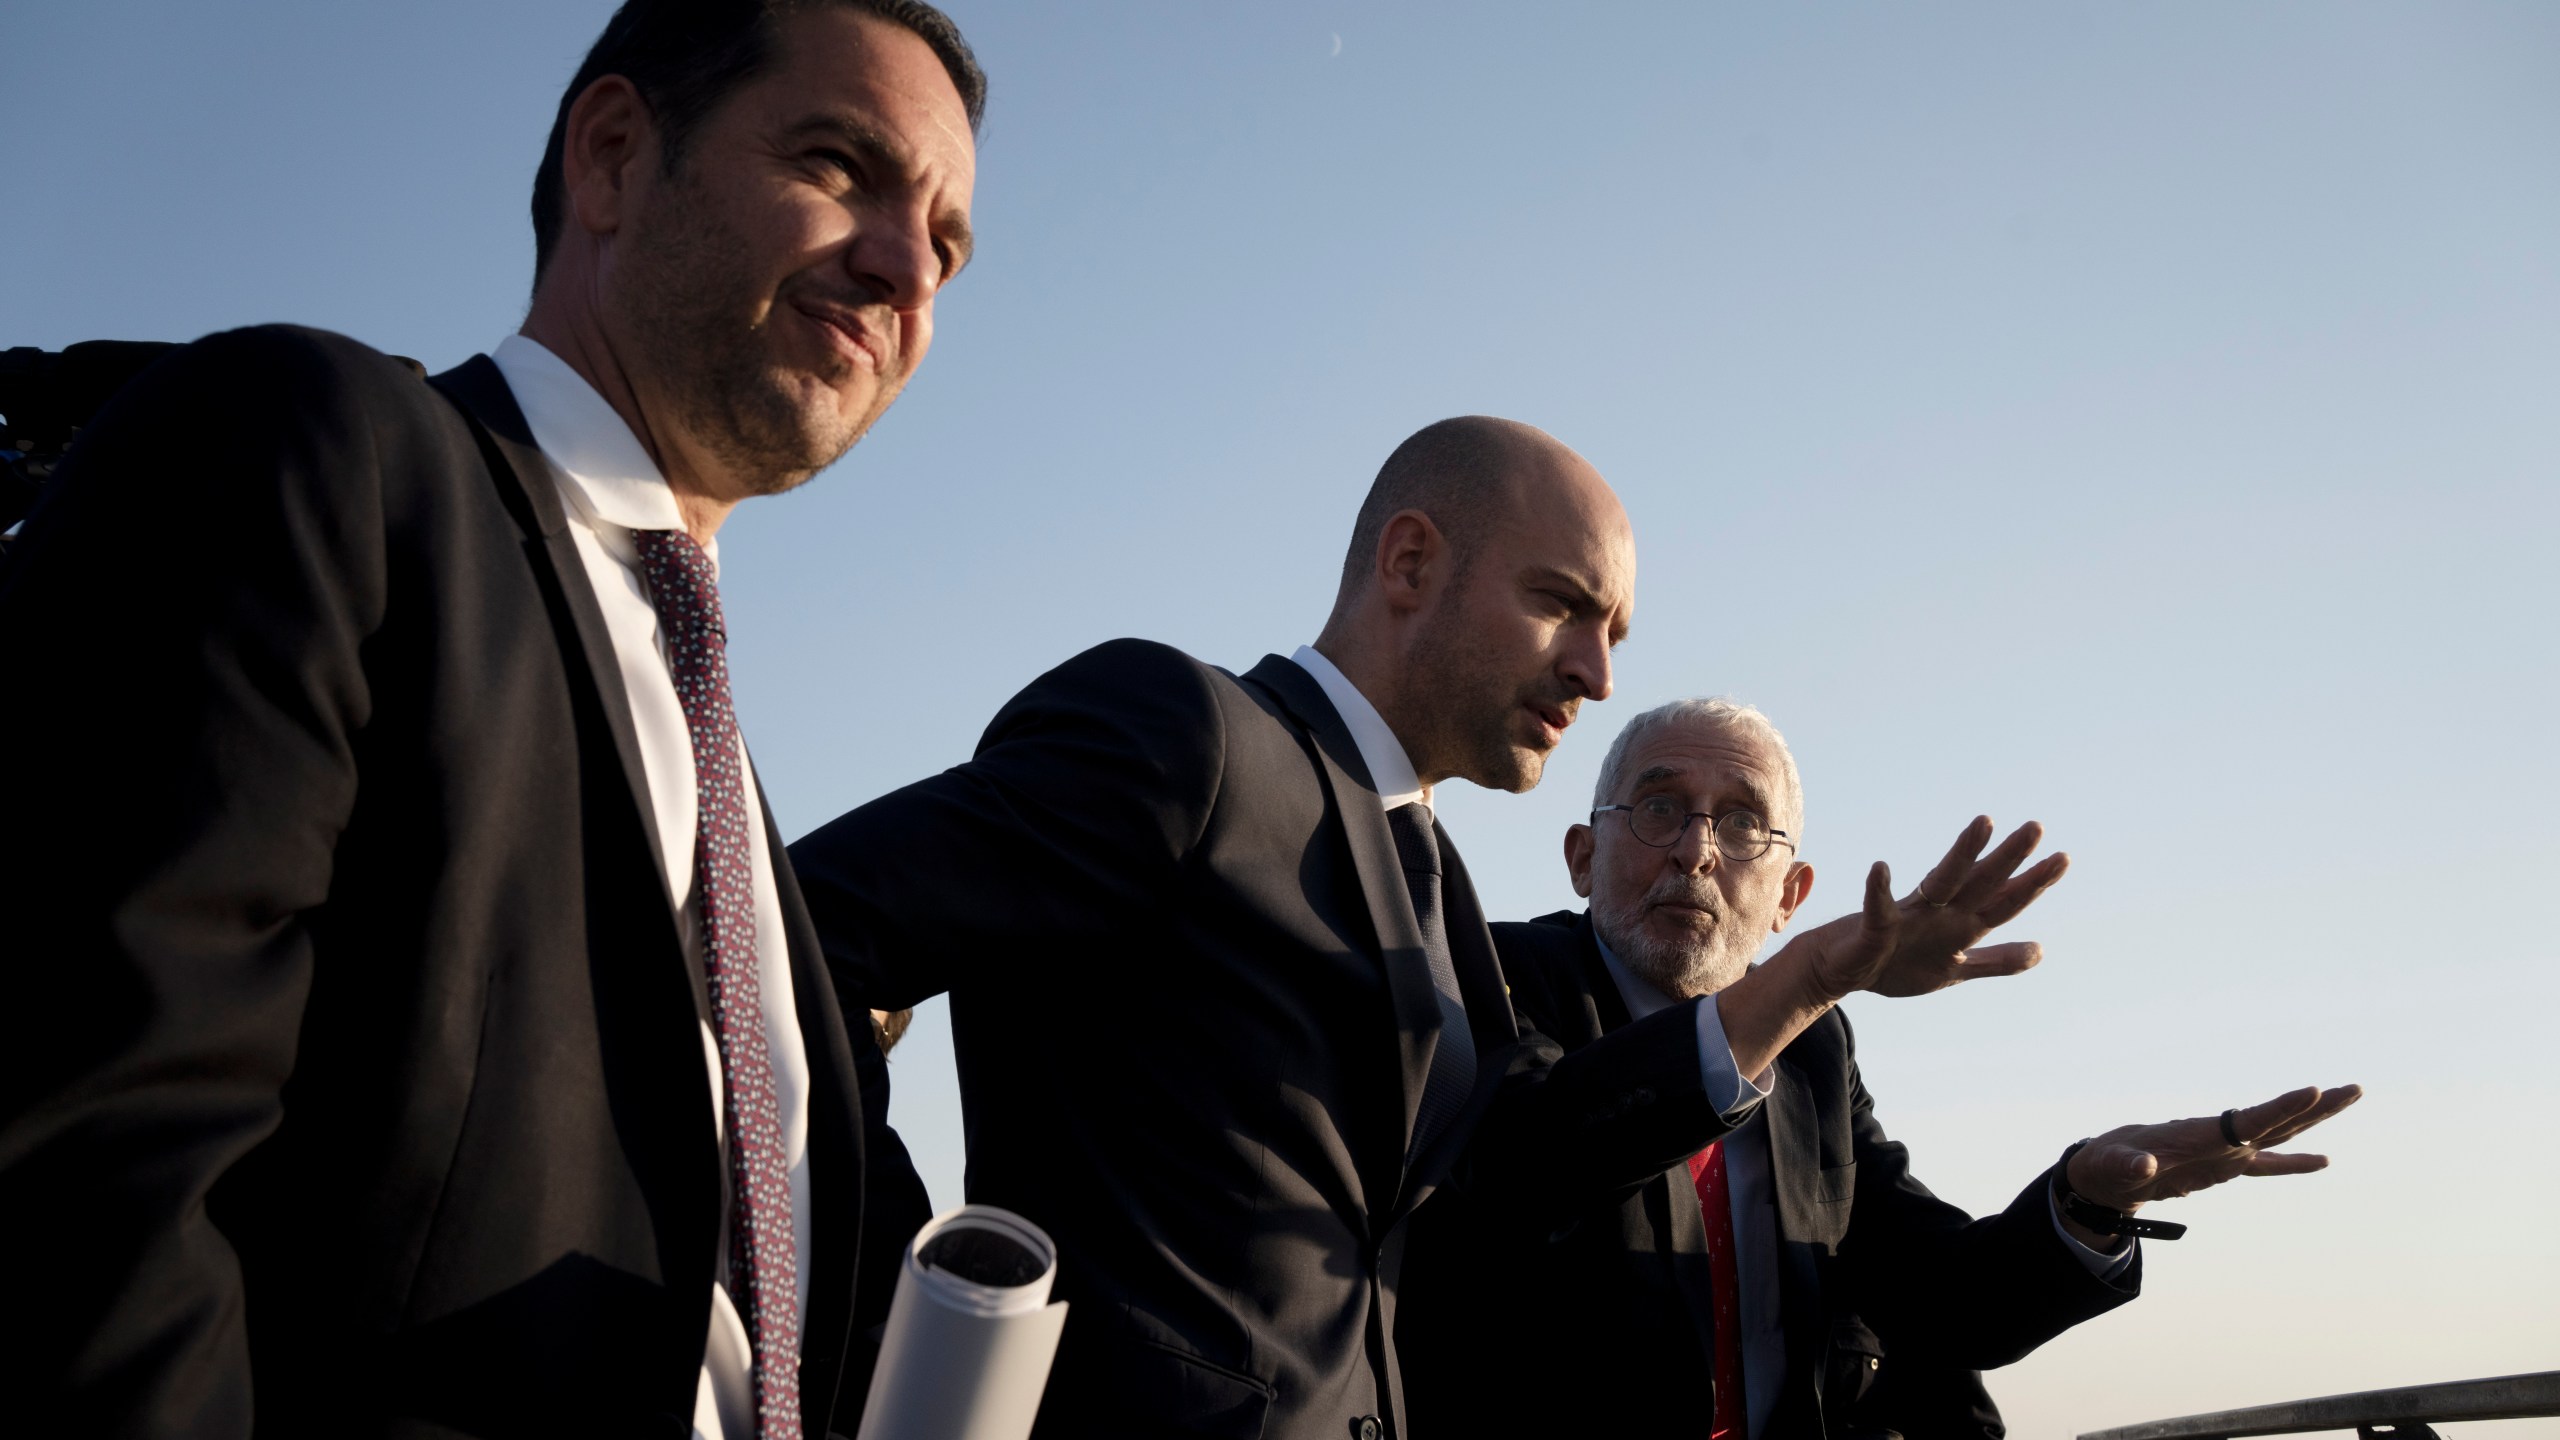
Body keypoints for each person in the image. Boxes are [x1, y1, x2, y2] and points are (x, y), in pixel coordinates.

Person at [0, 2, 981, 1435]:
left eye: (948, 247)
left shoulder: (737, 803)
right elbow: (83, 1184)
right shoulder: (306, 450)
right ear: (612, 155)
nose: (905, 269)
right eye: (842, 166)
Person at [787, 417, 2069, 1440]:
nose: (1595, 671)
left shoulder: (1440, 882)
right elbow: (797, 947)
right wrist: (932, 1316)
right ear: (1410, 564)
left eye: (1611, 632)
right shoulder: (1184, 735)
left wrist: (1803, 981)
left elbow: (1522, 1164)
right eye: (1564, 604)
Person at [1397, 698, 2363, 1438]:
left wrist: (2082, 1204)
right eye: (1658, 807)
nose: (1694, 851)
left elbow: (1941, 1299)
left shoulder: (1814, 1049)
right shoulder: (1490, 975)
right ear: (1580, 855)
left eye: (1741, 824)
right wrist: (1810, 975)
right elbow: (1534, 1161)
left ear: (1791, 894)